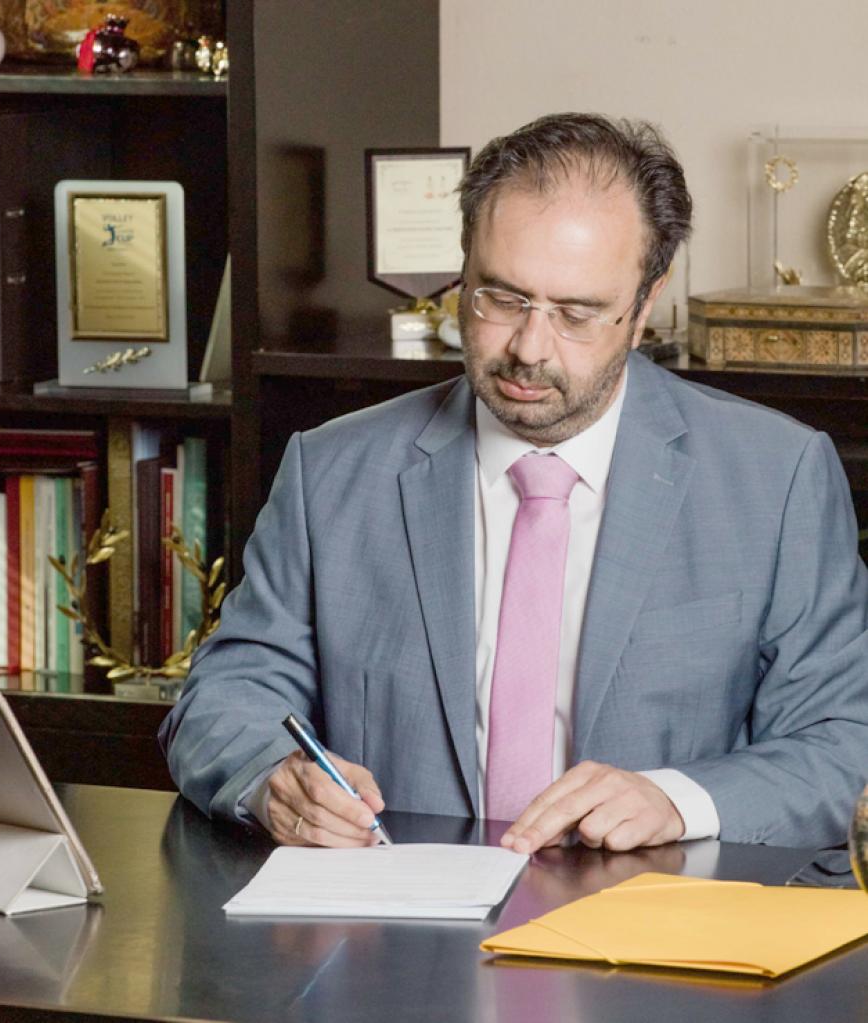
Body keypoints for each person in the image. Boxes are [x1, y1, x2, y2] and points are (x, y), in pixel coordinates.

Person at [159, 113, 868, 854]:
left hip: (653, 915)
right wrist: (271, 777)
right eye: (501, 299)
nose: (530, 348)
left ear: (644, 307)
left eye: (577, 313)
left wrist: (677, 799)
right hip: (396, 913)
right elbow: (224, 695)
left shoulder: (776, 479)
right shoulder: (331, 469)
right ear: (464, 271)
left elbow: (846, 740)